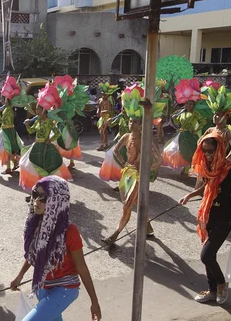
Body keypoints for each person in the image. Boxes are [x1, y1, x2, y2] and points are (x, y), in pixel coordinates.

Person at [10, 176, 102, 321]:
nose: (36, 202)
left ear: (57, 201)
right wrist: (20, 276)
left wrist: (95, 302)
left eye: (43, 198)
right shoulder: (35, 224)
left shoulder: (69, 231)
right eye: (34, 195)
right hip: (43, 288)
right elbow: (34, 254)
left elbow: (82, 267)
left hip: (64, 289)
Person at [179, 134, 231, 305]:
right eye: (204, 151)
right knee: (209, 255)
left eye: (211, 151)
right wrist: (190, 195)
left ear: (219, 149)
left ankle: (221, 284)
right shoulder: (209, 167)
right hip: (208, 216)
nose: (207, 155)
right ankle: (212, 290)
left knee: (206, 256)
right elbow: (208, 186)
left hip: (224, 219)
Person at [102, 87, 163, 244]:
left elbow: (159, 159)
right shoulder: (126, 136)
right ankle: (148, 228)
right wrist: (123, 164)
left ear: (141, 124)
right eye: (130, 120)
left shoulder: (145, 139)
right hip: (127, 173)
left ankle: (115, 234)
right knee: (133, 202)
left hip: (137, 176)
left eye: (135, 121)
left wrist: (146, 170)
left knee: (127, 205)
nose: (131, 123)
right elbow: (115, 151)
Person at [19, 83, 73, 190]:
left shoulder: (49, 122)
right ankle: (36, 190)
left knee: (45, 168)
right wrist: (27, 125)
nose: (36, 111)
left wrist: (50, 139)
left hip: (46, 148)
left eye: (38, 109)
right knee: (29, 167)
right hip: (36, 146)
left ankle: (45, 190)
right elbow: (31, 131)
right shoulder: (38, 120)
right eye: (37, 109)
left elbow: (57, 133)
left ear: (44, 110)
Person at [163, 78, 206, 179]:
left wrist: (196, 130)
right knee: (172, 150)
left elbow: (203, 121)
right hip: (180, 134)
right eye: (187, 103)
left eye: (190, 104)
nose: (188, 105)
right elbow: (176, 121)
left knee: (188, 152)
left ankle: (186, 171)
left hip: (190, 134)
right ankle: (181, 168)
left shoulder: (195, 113)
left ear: (193, 104)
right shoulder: (183, 113)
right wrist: (176, 116)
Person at [202, 85, 231, 162]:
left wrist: (228, 158)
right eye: (214, 114)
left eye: (218, 115)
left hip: (220, 163)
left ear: (226, 117)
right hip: (207, 162)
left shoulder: (227, 133)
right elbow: (200, 141)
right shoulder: (210, 130)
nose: (215, 117)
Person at [96, 83, 118, 151]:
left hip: (106, 117)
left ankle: (102, 145)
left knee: (103, 130)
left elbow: (109, 110)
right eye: (102, 94)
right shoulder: (100, 100)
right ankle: (105, 143)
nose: (103, 95)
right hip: (101, 117)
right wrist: (98, 111)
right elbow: (99, 107)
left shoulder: (109, 101)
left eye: (105, 94)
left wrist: (103, 112)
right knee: (102, 131)